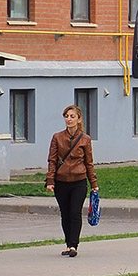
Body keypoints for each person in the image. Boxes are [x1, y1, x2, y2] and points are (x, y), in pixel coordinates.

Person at [45, 105, 98, 256]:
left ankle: (74, 245)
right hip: (61, 182)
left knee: (75, 212)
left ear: (79, 119)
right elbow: (52, 160)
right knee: (65, 214)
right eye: (66, 116)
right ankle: (68, 244)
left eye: (72, 116)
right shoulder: (57, 137)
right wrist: (50, 181)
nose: (69, 119)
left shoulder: (85, 139)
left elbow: (89, 163)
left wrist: (93, 184)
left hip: (78, 181)